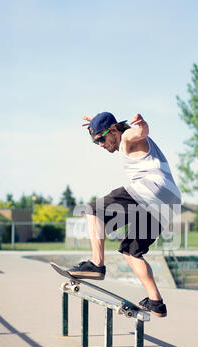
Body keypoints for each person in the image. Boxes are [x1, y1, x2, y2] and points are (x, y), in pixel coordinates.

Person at [67, 112, 181, 317]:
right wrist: (96, 123)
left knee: (94, 211)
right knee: (131, 251)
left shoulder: (127, 136)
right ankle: (156, 302)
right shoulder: (118, 132)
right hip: (169, 201)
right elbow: (116, 128)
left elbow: (139, 133)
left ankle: (96, 264)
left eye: (101, 139)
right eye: (96, 142)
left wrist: (143, 126)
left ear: (113, 130)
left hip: (151, 188)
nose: (101, 145)